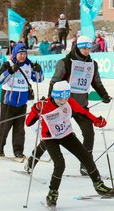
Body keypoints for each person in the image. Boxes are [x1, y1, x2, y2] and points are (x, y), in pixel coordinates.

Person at [26, 36, 111, 175]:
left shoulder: (92, 64)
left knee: (89, 133)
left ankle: (85, 164)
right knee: (53, 135)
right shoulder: (65, 62)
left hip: (81, 105)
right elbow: (54, 82)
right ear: (77, 47)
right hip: (62, 105)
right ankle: (32, 160)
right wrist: (49, 101)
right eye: (84, 48)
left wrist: (104, 95)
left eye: (89, 48)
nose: (87, 51)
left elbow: (96, 82)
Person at [25, 80, 113, 207]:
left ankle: (99, 185)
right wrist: (35, 110)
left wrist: (96, 120)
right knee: (60, 164)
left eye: (66, 98)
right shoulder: (45, 105)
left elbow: (83, 112)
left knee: (86, 156)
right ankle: (52, 192)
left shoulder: (69, 102)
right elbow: (28, 123)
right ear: (54, 96)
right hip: (50, 139)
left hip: (66, 134)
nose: (63, 101)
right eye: (61, 99)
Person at [0, 42, 43, 158]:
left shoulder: (29, 65)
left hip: (22, 102)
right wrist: (10, 71)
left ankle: (18, 151)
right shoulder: (8, 64)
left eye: (24, 54)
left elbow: (39, 79)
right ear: (15, 54)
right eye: (20, 54)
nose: (22, 56)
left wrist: (39, 70)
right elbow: (0, 80)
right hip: (8, 101)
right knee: (4, 127)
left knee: (19, 129)